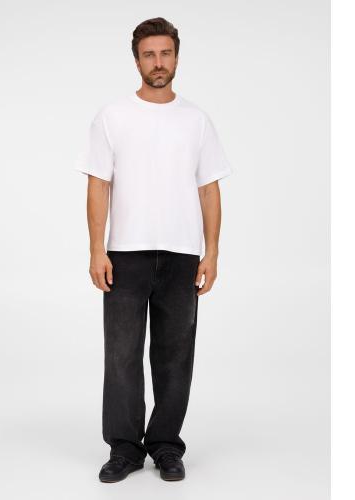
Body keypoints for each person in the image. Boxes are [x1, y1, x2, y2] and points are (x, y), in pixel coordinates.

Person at [74, 17, 234, 482]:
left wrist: (212, 253)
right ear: (137, 60)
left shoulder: (196, 120)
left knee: (174, 357)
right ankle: (124, 449)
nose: (158, 62)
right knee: (122, 356)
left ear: (177, 57)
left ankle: (165, 445)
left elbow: (209, 188)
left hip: (182, 254)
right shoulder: (112, 116)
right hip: (126, 253)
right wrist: (96, 249)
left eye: (165, 53)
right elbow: (98, 184)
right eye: (149, 54)